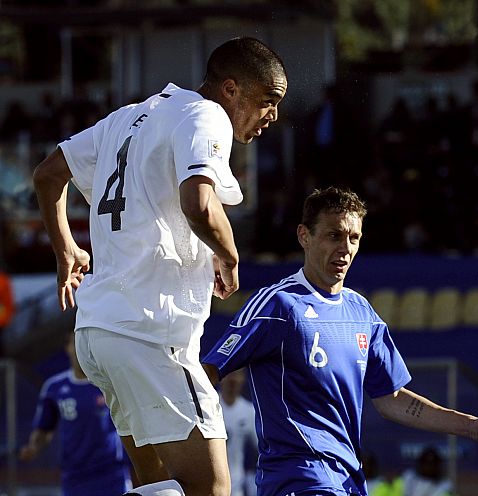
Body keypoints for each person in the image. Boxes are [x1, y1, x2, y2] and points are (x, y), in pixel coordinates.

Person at [32, 36, 287, 496]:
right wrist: (228, 255)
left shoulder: (126, 118)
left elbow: (48, 174)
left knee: (158, 487)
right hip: (151, 333)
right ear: (231, 90)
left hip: (98, 332)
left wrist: (64, 247)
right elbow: (199, 202)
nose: (273, 116)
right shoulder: (206, 114)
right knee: (210, 489)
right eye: (268, 101)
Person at [202, 187, 478, 496]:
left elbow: (392, 397)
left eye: (353, 238)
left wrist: (471, 426)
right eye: (333, 235)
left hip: (349, 482)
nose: (345, 248)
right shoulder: (277, 305)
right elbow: (208, 373)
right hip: (299, 480)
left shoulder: (362, 313)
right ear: (305, 236)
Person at [19, 332, 133, 495]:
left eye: (85, 342)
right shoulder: (54, 387)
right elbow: (44, 430)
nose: (81, 347)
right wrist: (33, 447)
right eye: (76, 342)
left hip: (111, 474)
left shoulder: (110, 381)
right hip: (74, 477)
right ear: (68, 348)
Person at [219, 368, 259, 496]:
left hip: (236, 487)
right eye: (229, 374)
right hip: (210, 485)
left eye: (237, 375)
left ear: (243, 379)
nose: (233, 380)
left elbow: (261, 450)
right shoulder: (208, 408)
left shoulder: (248, 411)